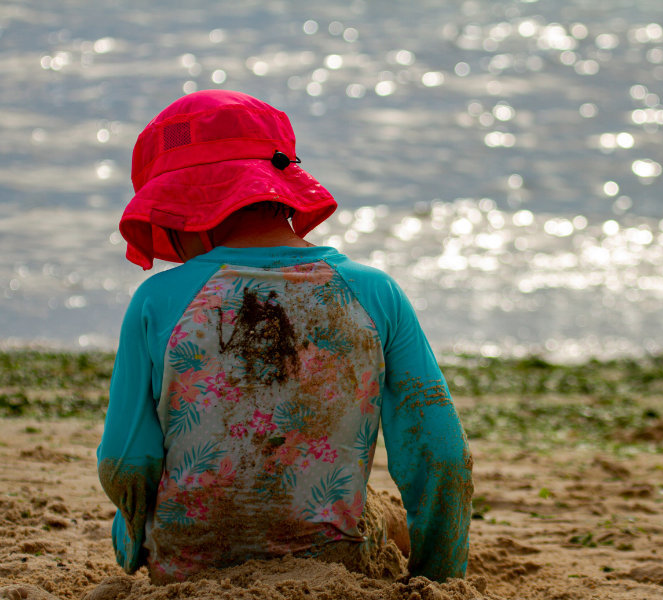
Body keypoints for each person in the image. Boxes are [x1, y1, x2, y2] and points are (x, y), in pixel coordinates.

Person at [96, 90, 473, 584]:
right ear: (278, 186)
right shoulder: (375, 293)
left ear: (183, 202)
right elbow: (442, 456)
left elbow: (124, 462)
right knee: (381, 514)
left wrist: (134, 544)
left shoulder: (156, 300)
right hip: (331, 564)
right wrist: (438, 579)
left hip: (186, 566)